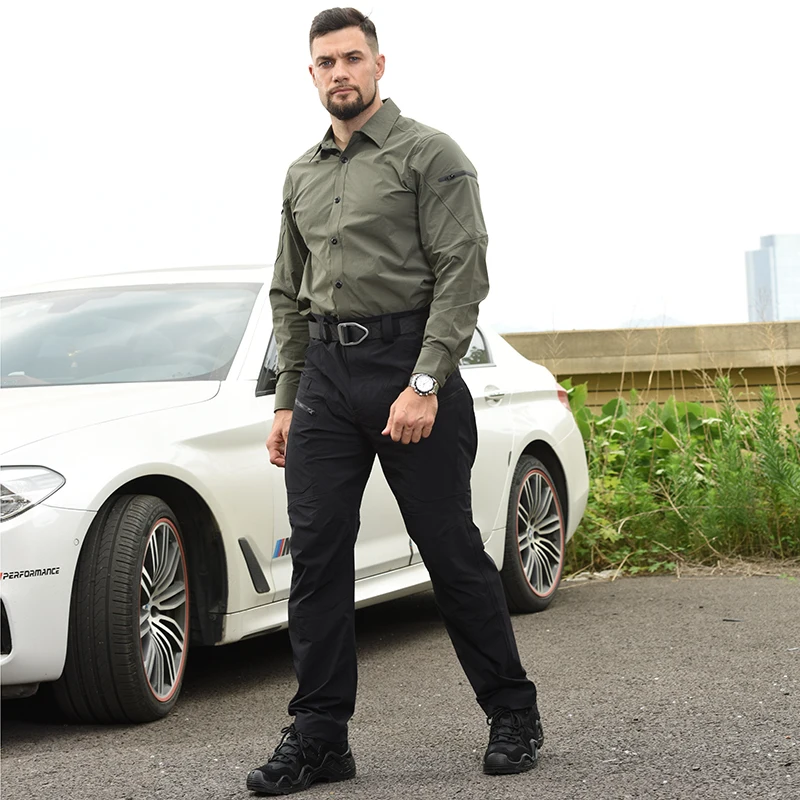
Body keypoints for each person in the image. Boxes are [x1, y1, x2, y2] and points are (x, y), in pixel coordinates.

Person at [247, 7, 543, 795]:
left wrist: (424, 382)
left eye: (352, 58)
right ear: (310, 75)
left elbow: (463, 274)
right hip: (324, 383)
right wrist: (286, 395)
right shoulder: (300, 174)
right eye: (324, 63)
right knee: (314, 562)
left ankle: (512, 711)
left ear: (380, 65)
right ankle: (319, 740)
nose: (339, 72)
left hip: (409, 364)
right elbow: (288, 290)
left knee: (450, 552)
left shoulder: (430, 154)